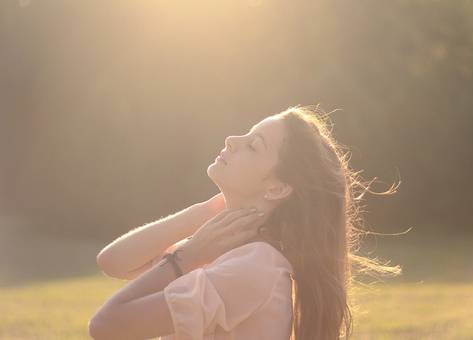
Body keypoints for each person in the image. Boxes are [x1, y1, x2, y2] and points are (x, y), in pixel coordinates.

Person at [89, 104, 402, 340]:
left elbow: (106, 325)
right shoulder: (222, 245)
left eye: (253, 145)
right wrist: (202, 213)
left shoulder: (254, 266)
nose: (232, 139)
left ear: (277, 188)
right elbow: (114, 261)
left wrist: (189, 255)